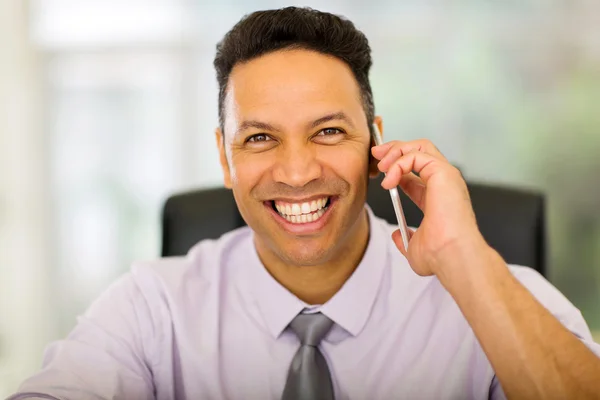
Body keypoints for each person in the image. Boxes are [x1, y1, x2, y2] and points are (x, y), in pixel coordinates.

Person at [9, 7, 600, 400]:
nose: (296, 172)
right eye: (261, 137)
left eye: (328, 132)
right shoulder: (152, 307)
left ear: (375, 142)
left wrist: (466, 261)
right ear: (224, 157)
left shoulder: (495, 292)